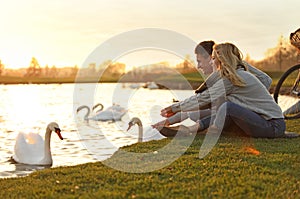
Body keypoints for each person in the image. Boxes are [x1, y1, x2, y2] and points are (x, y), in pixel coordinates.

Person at [155, 42, 285, 138]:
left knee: (227, 107)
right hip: (270, 123)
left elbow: (204, 98)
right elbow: (205, 98)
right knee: (225, 108)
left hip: (272, 125)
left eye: (213, 59)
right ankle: (192, 130)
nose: (212, 63)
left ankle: (198, 131)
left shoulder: (233, 79)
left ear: (221, 60)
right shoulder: (235, 76)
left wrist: (175, 107)